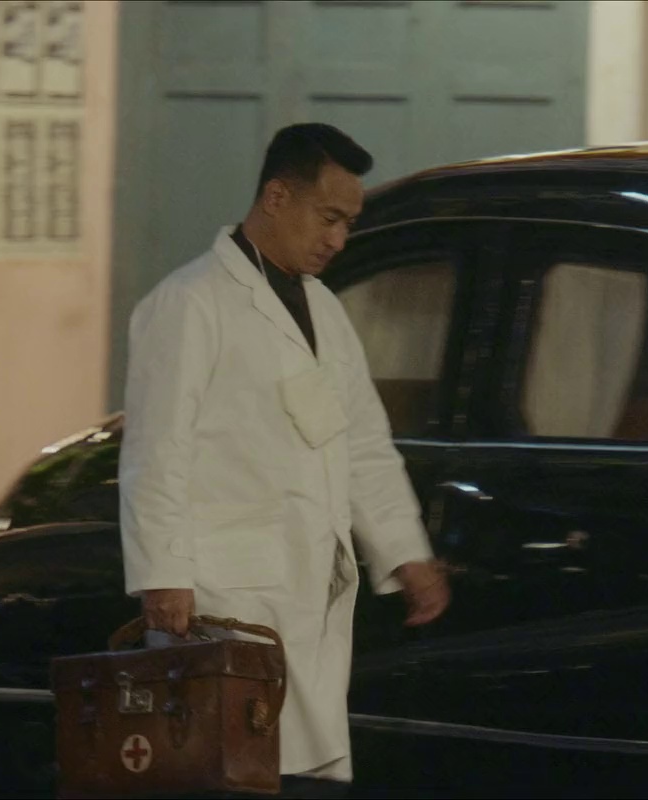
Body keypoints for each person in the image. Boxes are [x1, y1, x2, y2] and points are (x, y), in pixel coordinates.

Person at [117, 123, 450, 797]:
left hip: (307, 587)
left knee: (301, 770)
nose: (339, 240)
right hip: (224, 595)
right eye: (329, 218)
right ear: (276, 197)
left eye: (348, 224)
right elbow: (157, 450)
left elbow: (361, 443)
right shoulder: (189, 303)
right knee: (233, 770)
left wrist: (404, 552)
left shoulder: (324, 312)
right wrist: (164, 576)